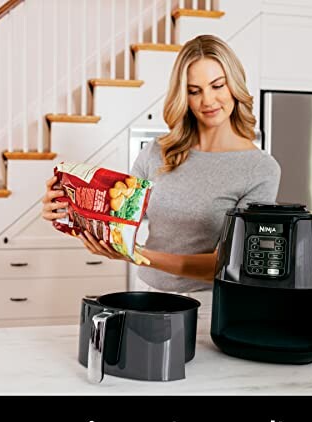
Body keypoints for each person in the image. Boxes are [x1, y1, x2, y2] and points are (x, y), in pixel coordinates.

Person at [41, 34, 281, 313]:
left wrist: (139, 255)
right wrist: (67, 208)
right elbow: (120, 216)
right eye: (194, 91)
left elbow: (228, 263)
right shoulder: (158, 151)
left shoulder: (260, 169)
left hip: (207, 305)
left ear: (235, 84)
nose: (208, 100)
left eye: (217, 85)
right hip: (145, 293)